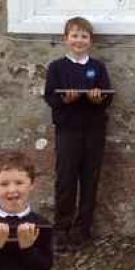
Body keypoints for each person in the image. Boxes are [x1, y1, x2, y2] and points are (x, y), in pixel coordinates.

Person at [43, 16, 113, 249]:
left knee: (90, 179)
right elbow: (51, 98)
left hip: (93, 130)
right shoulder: (56, 67)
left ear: (90, 41)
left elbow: (107, 97)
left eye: (84, 36)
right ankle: (61, 228)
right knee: (66, 179)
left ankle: (83, 229)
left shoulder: (97, 67)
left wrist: (97, 98)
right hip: (68, 131)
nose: (79, 40)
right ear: (66, 39)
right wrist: (66, 98)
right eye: (74, 35)